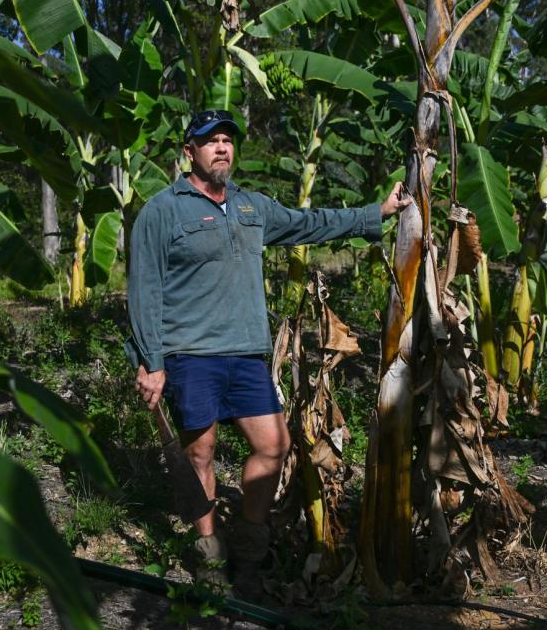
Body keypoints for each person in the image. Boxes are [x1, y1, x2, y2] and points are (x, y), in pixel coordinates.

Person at [125, 108, 411, 596]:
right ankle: (210, 553)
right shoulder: (163, 210)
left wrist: (374, 214)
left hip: (247, 355)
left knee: (273, 445)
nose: (221, 148)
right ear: (188, 151)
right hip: (190, 354)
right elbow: (144, 289)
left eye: (227, 141)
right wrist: (151, 363)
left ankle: (250, 555)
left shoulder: (251, 206)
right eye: (210, 140)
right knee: (201, 453)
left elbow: (308, 224)